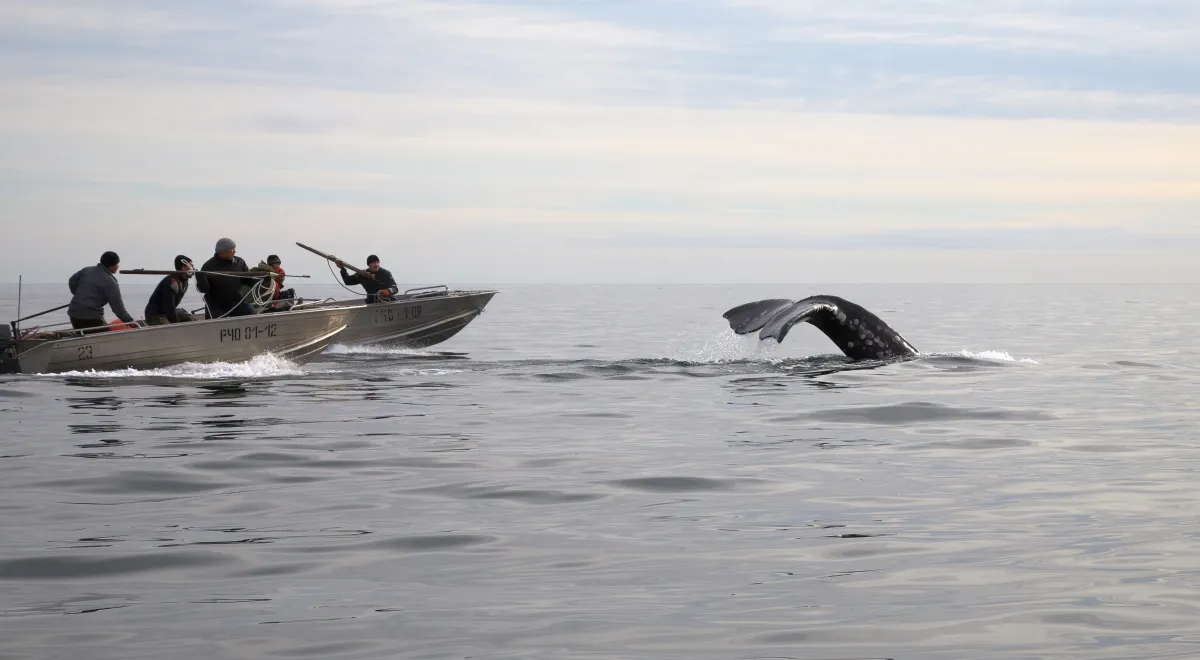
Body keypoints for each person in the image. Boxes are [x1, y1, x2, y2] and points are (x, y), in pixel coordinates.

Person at [67, 251, 135, 331]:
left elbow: (72, 281)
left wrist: (79, 295)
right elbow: (118, 309)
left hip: (73, 314)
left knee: (83, 334)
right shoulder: (111, 283)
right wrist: (129, 321)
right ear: (111, 266)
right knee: (109, 337)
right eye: (117, 264)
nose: (118, 266)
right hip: (90, 318)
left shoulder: (86, 270)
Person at [195, 237, 258, 318]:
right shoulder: (208, 266)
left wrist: (262, 280)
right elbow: (203, 289)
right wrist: (200, 278)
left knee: (254, 316)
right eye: (232, 249)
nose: (235, 251)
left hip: (237, 302)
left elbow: (249, 281)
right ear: (223, 251)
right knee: (215, 324)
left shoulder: (240, 262)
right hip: (216, 305)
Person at [144, 255, 197, 326]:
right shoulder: (171, 282)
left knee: (194, 321)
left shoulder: (185, 282)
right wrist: (176, 325)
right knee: (170, 329)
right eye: (191, 266)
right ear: (183, 267)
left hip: (167, 312)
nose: (194, 268)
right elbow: (169, 307)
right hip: (155, 315)